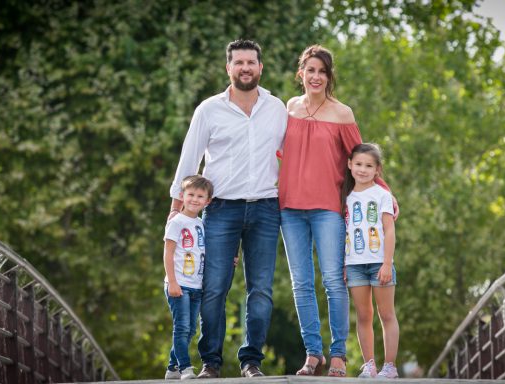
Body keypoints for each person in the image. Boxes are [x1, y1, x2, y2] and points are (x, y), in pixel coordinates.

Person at [168, 39, 287, 379]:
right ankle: (211, 362)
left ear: (260, 68)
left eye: (251, 62)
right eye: (239, 62)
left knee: (261, 289)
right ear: (229, 68)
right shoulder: (209, 109)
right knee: (213, 288)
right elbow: (189, 159)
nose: (245, 68)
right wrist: (177, 207)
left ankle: (251, 361)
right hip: (220, 210)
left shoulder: (277, 108)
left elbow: (295, 155)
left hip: (266, 208)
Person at [278, 45, 395, 377]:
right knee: (301, 283)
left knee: (333, 280)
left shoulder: (342, 114)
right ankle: (313, 354)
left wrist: (384, 191)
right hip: (289, 207)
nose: (316, 77)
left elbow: (363, 159)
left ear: (329, 77)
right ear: (301, 74)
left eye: (322, 72)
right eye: (310, 70)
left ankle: (339, 355)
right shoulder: (289, 108)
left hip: (328, 208)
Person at [343, 143, 399, 379]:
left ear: (377, 169)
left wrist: (387, 263)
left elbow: (389, 230)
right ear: (349, 165)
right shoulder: (345, 196)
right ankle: (369, 365)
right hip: (354, 264)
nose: (362, 169)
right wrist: (343, 265)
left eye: (368, 165)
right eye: (358, 164)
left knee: (386, 314)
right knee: (363, 316)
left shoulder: (382, 195)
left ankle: (390, 366)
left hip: (379, 263)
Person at [164, 175, 214, 380]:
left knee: (191, 329)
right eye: (190, 194)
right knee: (182, 327)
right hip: (179, 284)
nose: (194, 199)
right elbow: (168, 253)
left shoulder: (201, 223)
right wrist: (173, 282)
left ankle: (172, 368)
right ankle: (185, 368)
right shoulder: (176, 222)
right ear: (182, 196)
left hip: (196, 285)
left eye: (200, 196)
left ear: (207, 201)